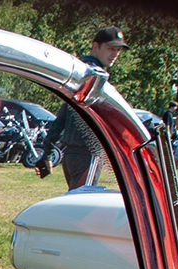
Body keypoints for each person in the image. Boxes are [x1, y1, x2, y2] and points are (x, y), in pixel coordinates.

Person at [37, 25, 127, 189]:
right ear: (95, 46)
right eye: (110, 48)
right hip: (87, 152)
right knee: (84, 204)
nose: (115, 54)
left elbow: (63, 114)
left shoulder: (81, 73)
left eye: (118, 50)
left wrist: (48, 149)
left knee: (77, 200)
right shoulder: (95, 75)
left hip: (72, 153)